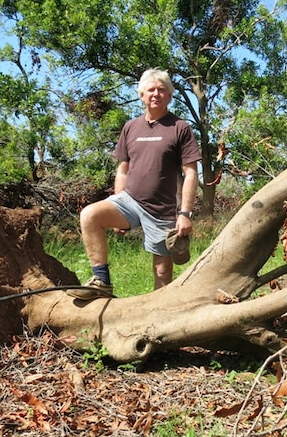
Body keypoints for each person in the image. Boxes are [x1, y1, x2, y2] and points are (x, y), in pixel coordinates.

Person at [69, 68, 202, 300]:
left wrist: (185, 213)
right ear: (142, 95)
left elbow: (191, 173)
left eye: (162, 90)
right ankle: (101, 281)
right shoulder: (131, 127)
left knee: (162, 273)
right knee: (90, 215)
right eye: (151, 90)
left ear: (170, 96)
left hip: (162, 211)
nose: (156, 94)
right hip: (129, 201)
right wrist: (118, 201)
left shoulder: (180, 127)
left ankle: (158, 318)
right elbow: (123, 170)